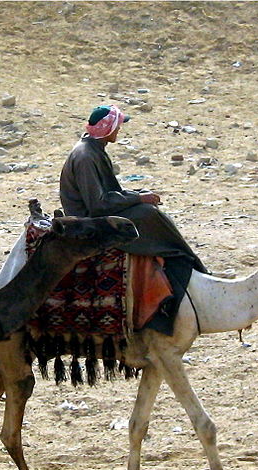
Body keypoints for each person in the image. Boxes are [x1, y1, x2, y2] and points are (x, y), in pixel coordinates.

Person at [59, 104, 207, 335]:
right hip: (89, 222)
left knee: (147, 211)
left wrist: (136, 196)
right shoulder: (87, 156)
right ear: (108, 130)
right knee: (149, 216)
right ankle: (186, 259)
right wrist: (138, 198)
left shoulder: (93, 149)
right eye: (117, 126)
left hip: (96, 213)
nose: (119, 131)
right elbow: (98, 205)